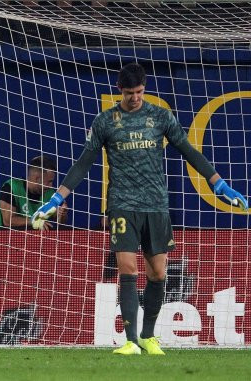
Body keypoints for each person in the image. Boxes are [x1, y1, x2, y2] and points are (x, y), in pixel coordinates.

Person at [31, 62, 249, 355]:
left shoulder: (159, 116)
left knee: (158, 274)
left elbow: (189, 151)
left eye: (140, 92)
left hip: (156, 205)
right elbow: (83, 163)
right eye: (130, 92)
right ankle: (131, 341)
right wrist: (55, 199)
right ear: (120, 90)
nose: (135, 97)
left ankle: (148, 336)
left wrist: (220, 185)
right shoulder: (105, 122)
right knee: (127, 269)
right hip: (122, 204)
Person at [0, 155, 67, 230]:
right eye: (49, 182)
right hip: (1, 238)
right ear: (36, 178)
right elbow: (8, 221)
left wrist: (61, 214)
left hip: (33, 239)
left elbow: (59, 221)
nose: (51, 186)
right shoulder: (11, 186)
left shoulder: (50, 193)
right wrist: (33, 220)